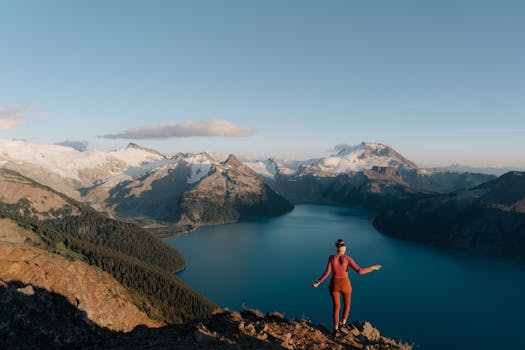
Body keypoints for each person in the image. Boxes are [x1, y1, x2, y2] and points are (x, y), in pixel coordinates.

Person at [312, 239, 381, 336]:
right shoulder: (347, 258)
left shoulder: (331, 257)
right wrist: (372, 268)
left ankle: (335, 330)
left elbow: (327, 273)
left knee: (336, 308)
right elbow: (360, 271)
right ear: (344, 248)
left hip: (334, 285)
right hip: (345, 285)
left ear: (336, 248)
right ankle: (342, 324)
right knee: (347, 304)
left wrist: (318, 282)